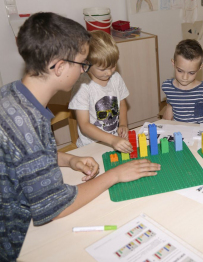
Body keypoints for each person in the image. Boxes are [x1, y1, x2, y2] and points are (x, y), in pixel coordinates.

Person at [0, 13, 161, 261]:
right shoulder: (28, 127)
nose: (84, 70)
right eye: (83, 64)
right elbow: (56, 207)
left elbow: (23, 157)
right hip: (18, 242)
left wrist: (68, 160)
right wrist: (115, 174)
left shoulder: (11, 94)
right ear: (60, 66)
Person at [69, 30, 132, 153]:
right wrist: (112, 140)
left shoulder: (116, 78)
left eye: (113, 66)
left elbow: (122, 103)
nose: (109, 73)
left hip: (114, 140)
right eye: (103, 69)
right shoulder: (82, 86)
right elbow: (84, 125)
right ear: (86, 64)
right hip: (90, 146)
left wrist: (123, 124)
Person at [162, 39, 203, 123]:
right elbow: (169, 111)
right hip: (179, 133)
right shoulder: (168, 86)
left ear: (200, 68)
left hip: (201, 135)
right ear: (173, 63)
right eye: (180, 71)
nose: (185, 77)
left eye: (191, 73)